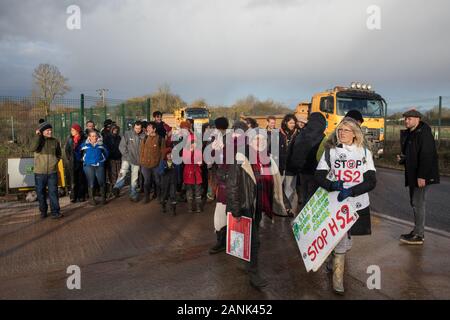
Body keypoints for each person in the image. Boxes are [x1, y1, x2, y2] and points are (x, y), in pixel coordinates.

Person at [315, 117, 377, 294]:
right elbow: (318, 176)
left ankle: (331, 261)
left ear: (355, 134)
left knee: (346, 241)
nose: (341, 133)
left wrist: (352, 191)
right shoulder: (331, 152)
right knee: (341, 242)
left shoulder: (365, 153)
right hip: (335, 203)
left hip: (356, 204)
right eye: (340, 130)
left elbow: (371, 181)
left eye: (346, 130)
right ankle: (338, 281)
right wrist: (332, 185)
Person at [226, 122, 287, 289]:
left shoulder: (267, 159)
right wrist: (236, 209)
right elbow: (232, 185)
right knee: (254, 241)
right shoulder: (240, 158)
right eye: (255, 139)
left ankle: (244, 261)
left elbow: (275, 184)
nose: (259, 142)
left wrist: (281, 203)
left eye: (262, 139)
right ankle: (254, 274)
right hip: (246, 205)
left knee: (251, 238)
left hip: (260, 205)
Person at [398, 109, 440, 245]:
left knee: (418, 203)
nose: (406, 121)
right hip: (413, 174)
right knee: (415, 202)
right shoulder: (412, 133)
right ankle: (417, 231)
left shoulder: (424, 134)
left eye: (409, 119)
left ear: (418, 119)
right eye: (405, 118)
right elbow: (413, 154)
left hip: (421, 175)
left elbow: (427, 155)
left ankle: (419, 235)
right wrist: (403, 159)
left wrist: (422, 176)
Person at [288, 113, 326, 209]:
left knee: (304, 194)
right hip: (315, 171)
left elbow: (294, 150)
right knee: (312, 196)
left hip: (302, 171)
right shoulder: (322, 136)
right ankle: (308, 217)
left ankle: (302, 216)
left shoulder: (302, 134)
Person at [31, 121, 62, 219]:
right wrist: (37, 136)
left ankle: (55, 212)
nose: (50, 132)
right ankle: (43, 211)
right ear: (42, 131)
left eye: (50, 130)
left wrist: (55, 162)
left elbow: (59, 154)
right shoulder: (38, 141)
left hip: (52, 172)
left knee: (53, 193)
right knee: (40, 193)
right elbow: (32, 148)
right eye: (48, 130)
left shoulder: (55, 141)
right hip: (39, 173)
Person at [209, 117, 230, 254]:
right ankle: (223, 241)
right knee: (223, 213)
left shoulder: (226, 140)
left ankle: (223, 242)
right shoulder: (219, 139)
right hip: (223, 181)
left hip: (227, 182)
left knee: (222, 213)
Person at [112, 121, 145, 201]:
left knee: (134, 178)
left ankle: (133, 195)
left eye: (139, 128)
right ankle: (117, 187)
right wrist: (127, 156)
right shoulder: (127, 134)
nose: (138, 130)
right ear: (133, 127)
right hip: (127, 159)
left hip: (137, 160)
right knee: (122, 173)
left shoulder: (144, 136)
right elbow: (122, 146)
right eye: (136, 128)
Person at [279, 114, 300, 216]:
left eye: (294, 123)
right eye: (291, 122)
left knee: (289, 188)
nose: (293, 124)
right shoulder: (279, 133)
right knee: (279, 188)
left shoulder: (298, 134)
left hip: (291, 166)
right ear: (286, 122)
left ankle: (287, 209)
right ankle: (280, 208)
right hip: (280, 165)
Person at [81, 130, 109, 205]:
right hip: (88, 166)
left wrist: (102, 160)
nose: (94, 137)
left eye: (95, 136)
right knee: (91, 183)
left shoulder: (101, 145)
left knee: (101, 181)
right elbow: (79, 154)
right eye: (92, 136)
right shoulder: (84, 145)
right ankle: (91, 199)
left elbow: (106, 153)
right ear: (89, 137)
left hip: (99, 165)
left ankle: (103, 198)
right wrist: (84, 161)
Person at [140, 121, 166, 203]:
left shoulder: (160, 139)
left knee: (158, 181)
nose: (147, 129)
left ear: (154, 129)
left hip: (156, 165)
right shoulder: (144, 139)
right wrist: (141, 162)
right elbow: (141, 151)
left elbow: (163, 152)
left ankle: (159, 196)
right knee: (146, 181)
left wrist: (161, 163)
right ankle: (146, 197)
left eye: (149, 127)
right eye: (147, 127)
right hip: (145, 165)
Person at [182, 127, 203, 213]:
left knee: (198, 192)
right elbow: (185, 160)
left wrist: (199, 161)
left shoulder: (198, 150)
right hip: (188, 173)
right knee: (189, 191)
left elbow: (200, 162)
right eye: (191, 143)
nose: (193, 144)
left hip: (197, 173)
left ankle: (198, 207)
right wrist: (190, 152)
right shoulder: (185, 150)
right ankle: (190, 207)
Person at [65, 123, 87, 203]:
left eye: (73, 130)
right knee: (73, 180)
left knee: (81, 180)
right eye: (71, 130)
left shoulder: (83, 139)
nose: (71, 131)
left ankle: (81, 196)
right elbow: (66, 149)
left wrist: (83, 158)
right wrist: (69, 158)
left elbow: (85, 150)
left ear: (77, 131)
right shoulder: (69, 139)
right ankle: (73, 197)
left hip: (81, 162)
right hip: (72, 162)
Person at [158, 148, 181, 215]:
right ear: (165, 155)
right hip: (165, 182)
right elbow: (160, 172)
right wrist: (164, 170)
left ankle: (173, 209)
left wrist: (179, 180)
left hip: (173, 181)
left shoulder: (176, 162)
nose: (170, 155)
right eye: (168, 154)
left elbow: (178, 171)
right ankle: (163, 205)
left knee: (173, 195)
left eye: (171, 154)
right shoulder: (163, 162)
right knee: (165, 195)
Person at [103, 124, 122, 196]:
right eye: (114, 129)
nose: (115, 131)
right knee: (112, 174)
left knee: (119, 174)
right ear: (111, 130)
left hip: (118, 157)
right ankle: (113, 189)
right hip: (111, 158)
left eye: (116, 130)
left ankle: (116, 189)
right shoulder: (107, 138)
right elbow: (105, 148)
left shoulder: (119, 137)